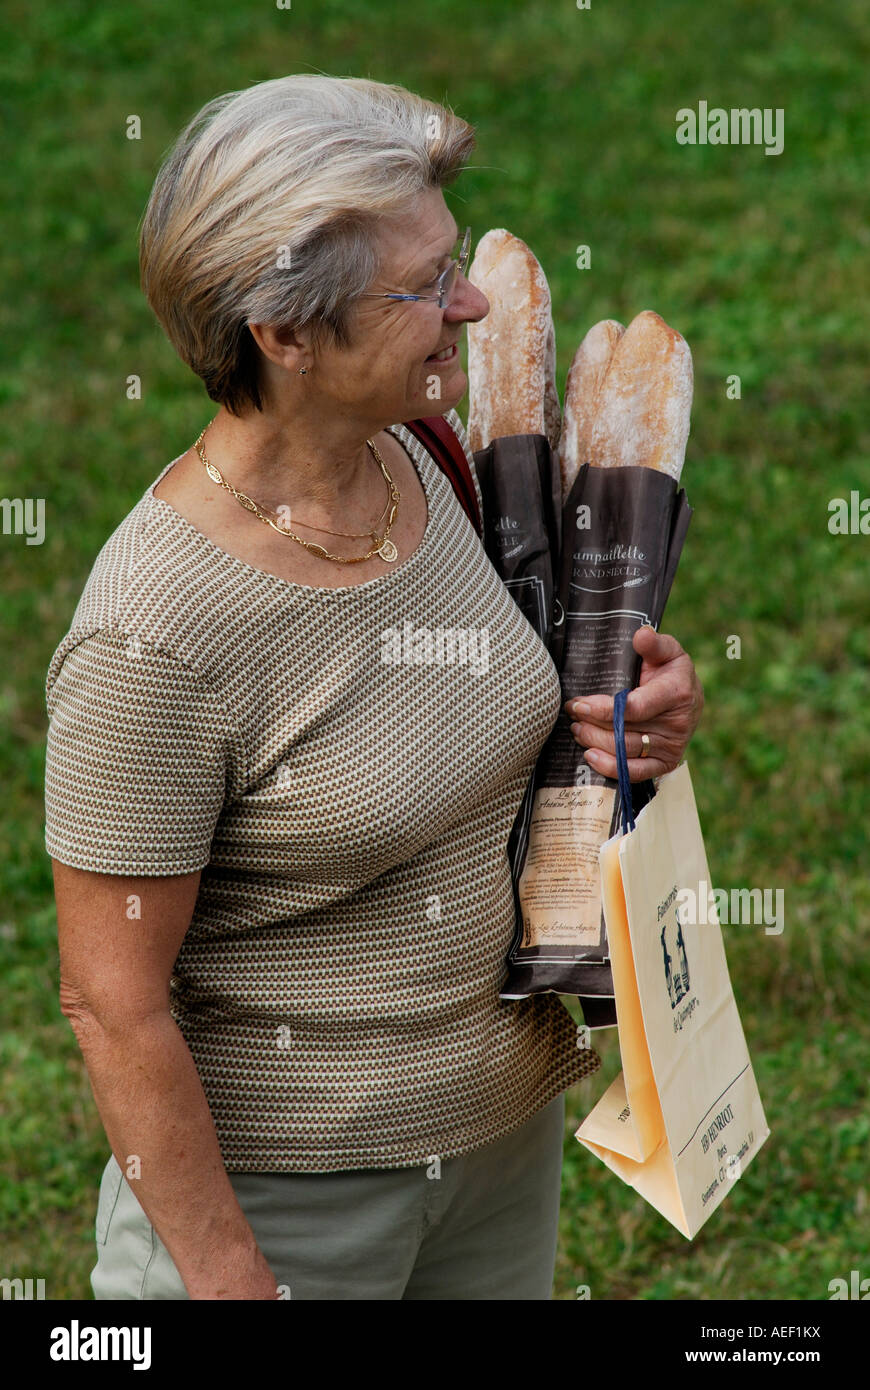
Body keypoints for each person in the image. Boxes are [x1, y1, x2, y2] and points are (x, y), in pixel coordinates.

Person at [44, 74, 704, 1301]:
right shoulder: (155, 634)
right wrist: (231, 1281)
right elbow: (111, 1004)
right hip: (286, 1206)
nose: (470, 304)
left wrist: (638, 716)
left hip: (502, 1146)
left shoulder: (434, 457)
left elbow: (518, 714)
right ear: (283, 333)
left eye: (453, 261)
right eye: (420, 288)